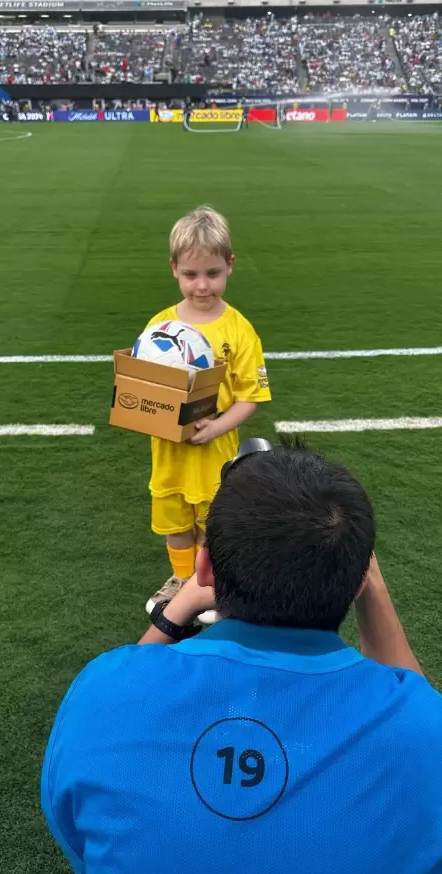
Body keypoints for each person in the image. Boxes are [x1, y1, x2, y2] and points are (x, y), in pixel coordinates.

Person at [41, 438, 442, 874]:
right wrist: (369, 587)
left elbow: (78, 837)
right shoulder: (423, 727)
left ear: (205, 569)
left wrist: (178, 608)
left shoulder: (101, 690)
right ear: (357, 587)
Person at [144, 206, 271, 617]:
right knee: (176, 524)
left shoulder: (239, 329)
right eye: (191, 275)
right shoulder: (159, 327)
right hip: (168, 453)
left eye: (212, 273)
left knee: (210, 524)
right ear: (174, 269)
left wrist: (216, 428)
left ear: (230, 267)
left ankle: (207, 587)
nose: (202, 286)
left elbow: (250, 396)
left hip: (214, 454)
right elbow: (144, 387)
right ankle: (181, 581)